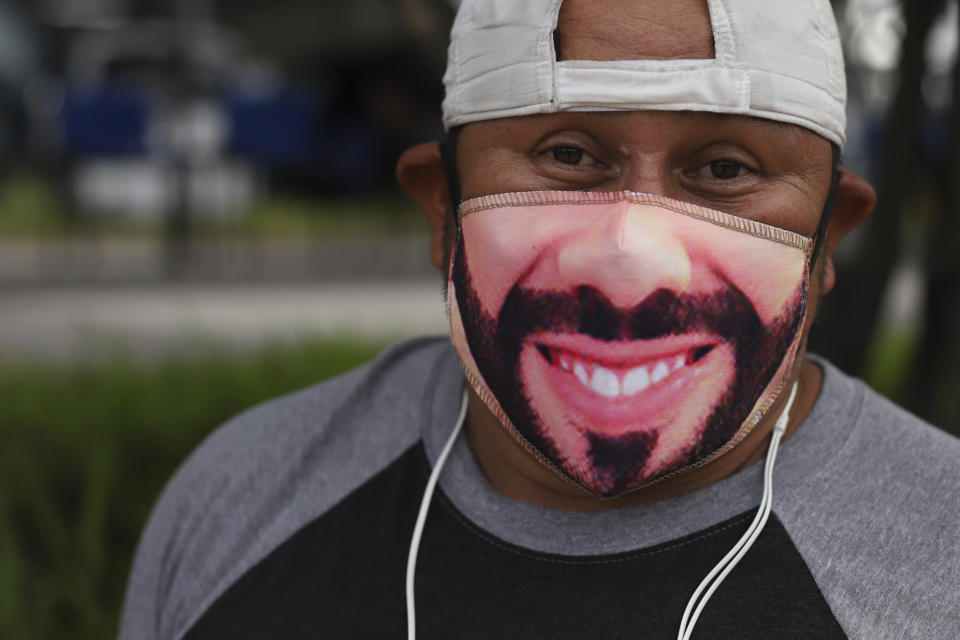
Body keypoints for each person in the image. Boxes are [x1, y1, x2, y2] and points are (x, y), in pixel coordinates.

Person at [120, 1, 960, 638]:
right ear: (444, 210)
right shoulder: (238, 501)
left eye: (724, 168)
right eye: (567, 155)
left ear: (827, 237)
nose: (630, 266)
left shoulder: (940, 559)